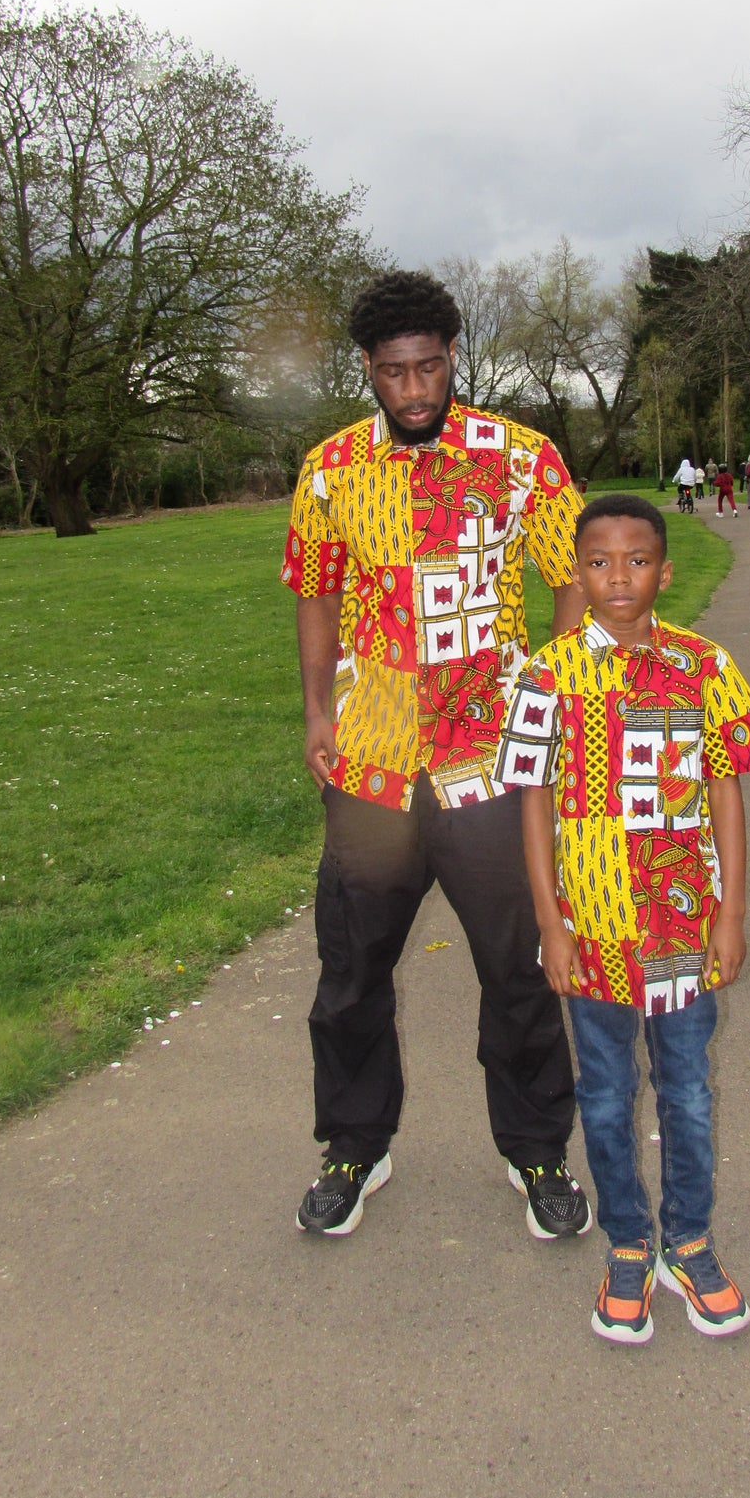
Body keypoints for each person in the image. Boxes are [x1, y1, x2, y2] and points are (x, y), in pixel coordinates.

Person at [281, 270, 592, 1241]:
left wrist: (551, 690)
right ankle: (353, 1147)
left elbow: (571, 575)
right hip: (372, 757)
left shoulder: (520, 456)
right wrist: (313, 711)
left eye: (427, 368)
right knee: (351, 968)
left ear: (453, 355)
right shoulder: (330, 470)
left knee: (520, 962)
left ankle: (535, 1149)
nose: (412, 391)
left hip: (488, 755)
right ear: (367, 370)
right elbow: (315, 592)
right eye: (391, 373)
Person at [495, 494, 750, 1345]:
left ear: (664, 566)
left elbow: (725, 787)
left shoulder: (704, 664)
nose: (618, 578)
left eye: (637, 560)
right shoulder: (544, 674)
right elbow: (534, 799)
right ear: (575, 569)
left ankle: (686, 1240)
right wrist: (550, 921)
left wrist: (729, 912)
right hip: (592, 932)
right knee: (607, 1093)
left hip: (681, 930)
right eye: (598, 561)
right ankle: (626, 1241)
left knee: (687, 1090)